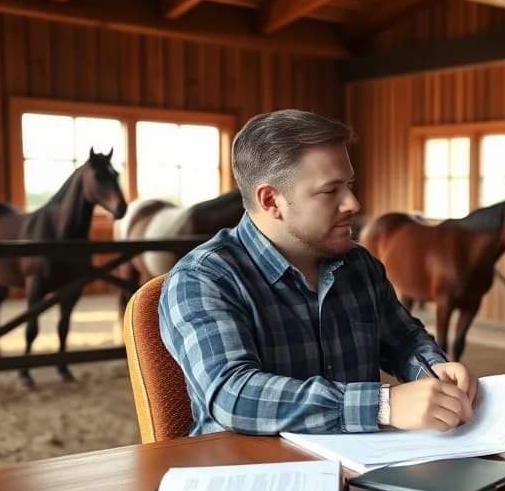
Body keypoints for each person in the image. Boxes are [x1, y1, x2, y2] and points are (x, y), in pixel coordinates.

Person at [159, 109, 476, 436]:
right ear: (271, 201)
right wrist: (383, 405)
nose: (353, 203)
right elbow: (234, 395)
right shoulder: (202, 278)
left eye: (349, 185)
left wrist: (433, 370)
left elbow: (405, 340)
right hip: (251, 475)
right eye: (330, 190)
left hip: (360, 469)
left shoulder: (360, 265)